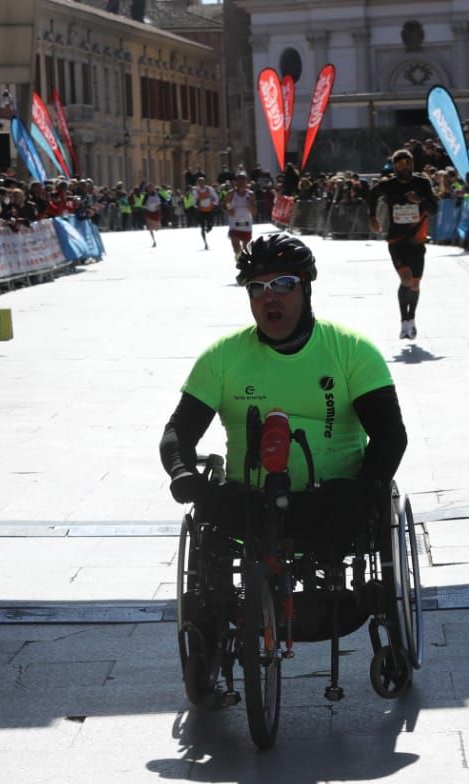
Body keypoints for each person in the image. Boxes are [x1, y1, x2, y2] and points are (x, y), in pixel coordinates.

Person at [159, 233, 408, 555]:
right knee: (217, 510)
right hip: (248, 508)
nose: (269, 297)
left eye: (283, 284)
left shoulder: (353, 351)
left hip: (334, 506)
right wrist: (182, 472)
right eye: (257, 288)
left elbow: (390, 435)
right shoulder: (221, 357)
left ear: (306, 288)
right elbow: (178, 432)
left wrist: (368, 487)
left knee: (349, 507)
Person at [366, 148, 437, 340]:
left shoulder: (422, 183)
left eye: (408, 164)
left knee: (414, 284)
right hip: (396, 240)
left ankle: (411, 320)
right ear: (395, 166)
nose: (404, 168)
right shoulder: (389, 185)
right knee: (405, 279)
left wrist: (419, 199)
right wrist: (372, 217)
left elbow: (434, 207)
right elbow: (372, 194)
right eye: (400, 164)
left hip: (417, 240)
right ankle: (403, 321)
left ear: (413, 164)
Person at [224, 173, 256, 256]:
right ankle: (239, 259)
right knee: (236, 248)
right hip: (234, 223)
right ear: (236, 182)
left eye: (243, 181)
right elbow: (224, 205)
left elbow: (254, 211)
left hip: (246, 224)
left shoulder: (251, 194)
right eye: (239, 181)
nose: (242, 183)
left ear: (246, 182)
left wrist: (249, 205)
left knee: (246, 249)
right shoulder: (231, 193)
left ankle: (243, 262)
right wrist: (229, 210)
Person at [194, 176, 218, 249]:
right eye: (199, 182)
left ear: (205, 182)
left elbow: (216, 197)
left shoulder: (210, 189)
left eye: (202, 182)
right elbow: (194, 201)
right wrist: (196, 204)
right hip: (201, 211)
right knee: (202, 227)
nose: (201, 184)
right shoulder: (196, 191)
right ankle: (205, 243)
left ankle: (209, 228)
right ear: (198, 183)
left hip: (209, 210)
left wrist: (214, 204)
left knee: (211, 224)